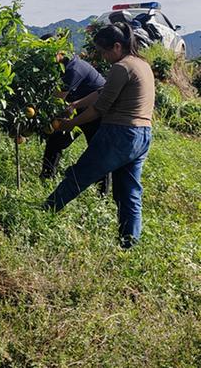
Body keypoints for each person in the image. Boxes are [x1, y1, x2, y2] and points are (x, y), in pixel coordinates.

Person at [44, 22, 155, 248]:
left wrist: (70, 124)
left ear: (117, 46)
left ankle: (44, 212)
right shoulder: (141, 64)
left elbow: (99, 108)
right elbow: (102, 91)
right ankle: (129, 244)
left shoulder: (121, 67)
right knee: (129, 192)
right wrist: (76, 103)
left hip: (119, 134)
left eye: (104, 51)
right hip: (142, 135)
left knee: (79, 175)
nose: (103, 57)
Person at [39, 34, 107, 194]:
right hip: (75, 108)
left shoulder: (72, 68)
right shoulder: (60, 66)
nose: (45, 58)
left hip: (95, 113)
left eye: (47, 53)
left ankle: (102, 193)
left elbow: (57, 99)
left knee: (97, 152)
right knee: (55, 141)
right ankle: (46, 177)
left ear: (59, 51)